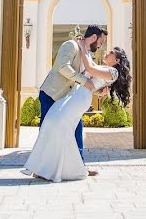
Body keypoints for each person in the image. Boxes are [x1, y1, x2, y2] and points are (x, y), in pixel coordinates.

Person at [22, 42, 132, 182]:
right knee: (53, 124)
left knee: (57, 125)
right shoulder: (106, 70)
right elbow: (98, 87)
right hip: (76, 95)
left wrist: (82, 47)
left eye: (110, 52)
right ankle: (53, 166)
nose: (106, 52)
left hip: (80, 98)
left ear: (116, 60)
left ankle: (55, 168)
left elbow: (89, 67)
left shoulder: (113, 72)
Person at [37, 25, 105, 170]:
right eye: (101, 42)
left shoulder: (87, 54)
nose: (100, 46)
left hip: (69, 99)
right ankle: (42, 168)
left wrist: (98, 91)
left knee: (77, 128)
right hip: (51, 94)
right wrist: (84, 80)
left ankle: (79, 167)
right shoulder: (70, 45)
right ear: (93, 38)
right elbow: (63, 67)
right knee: (47, 131)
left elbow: (88, 78)